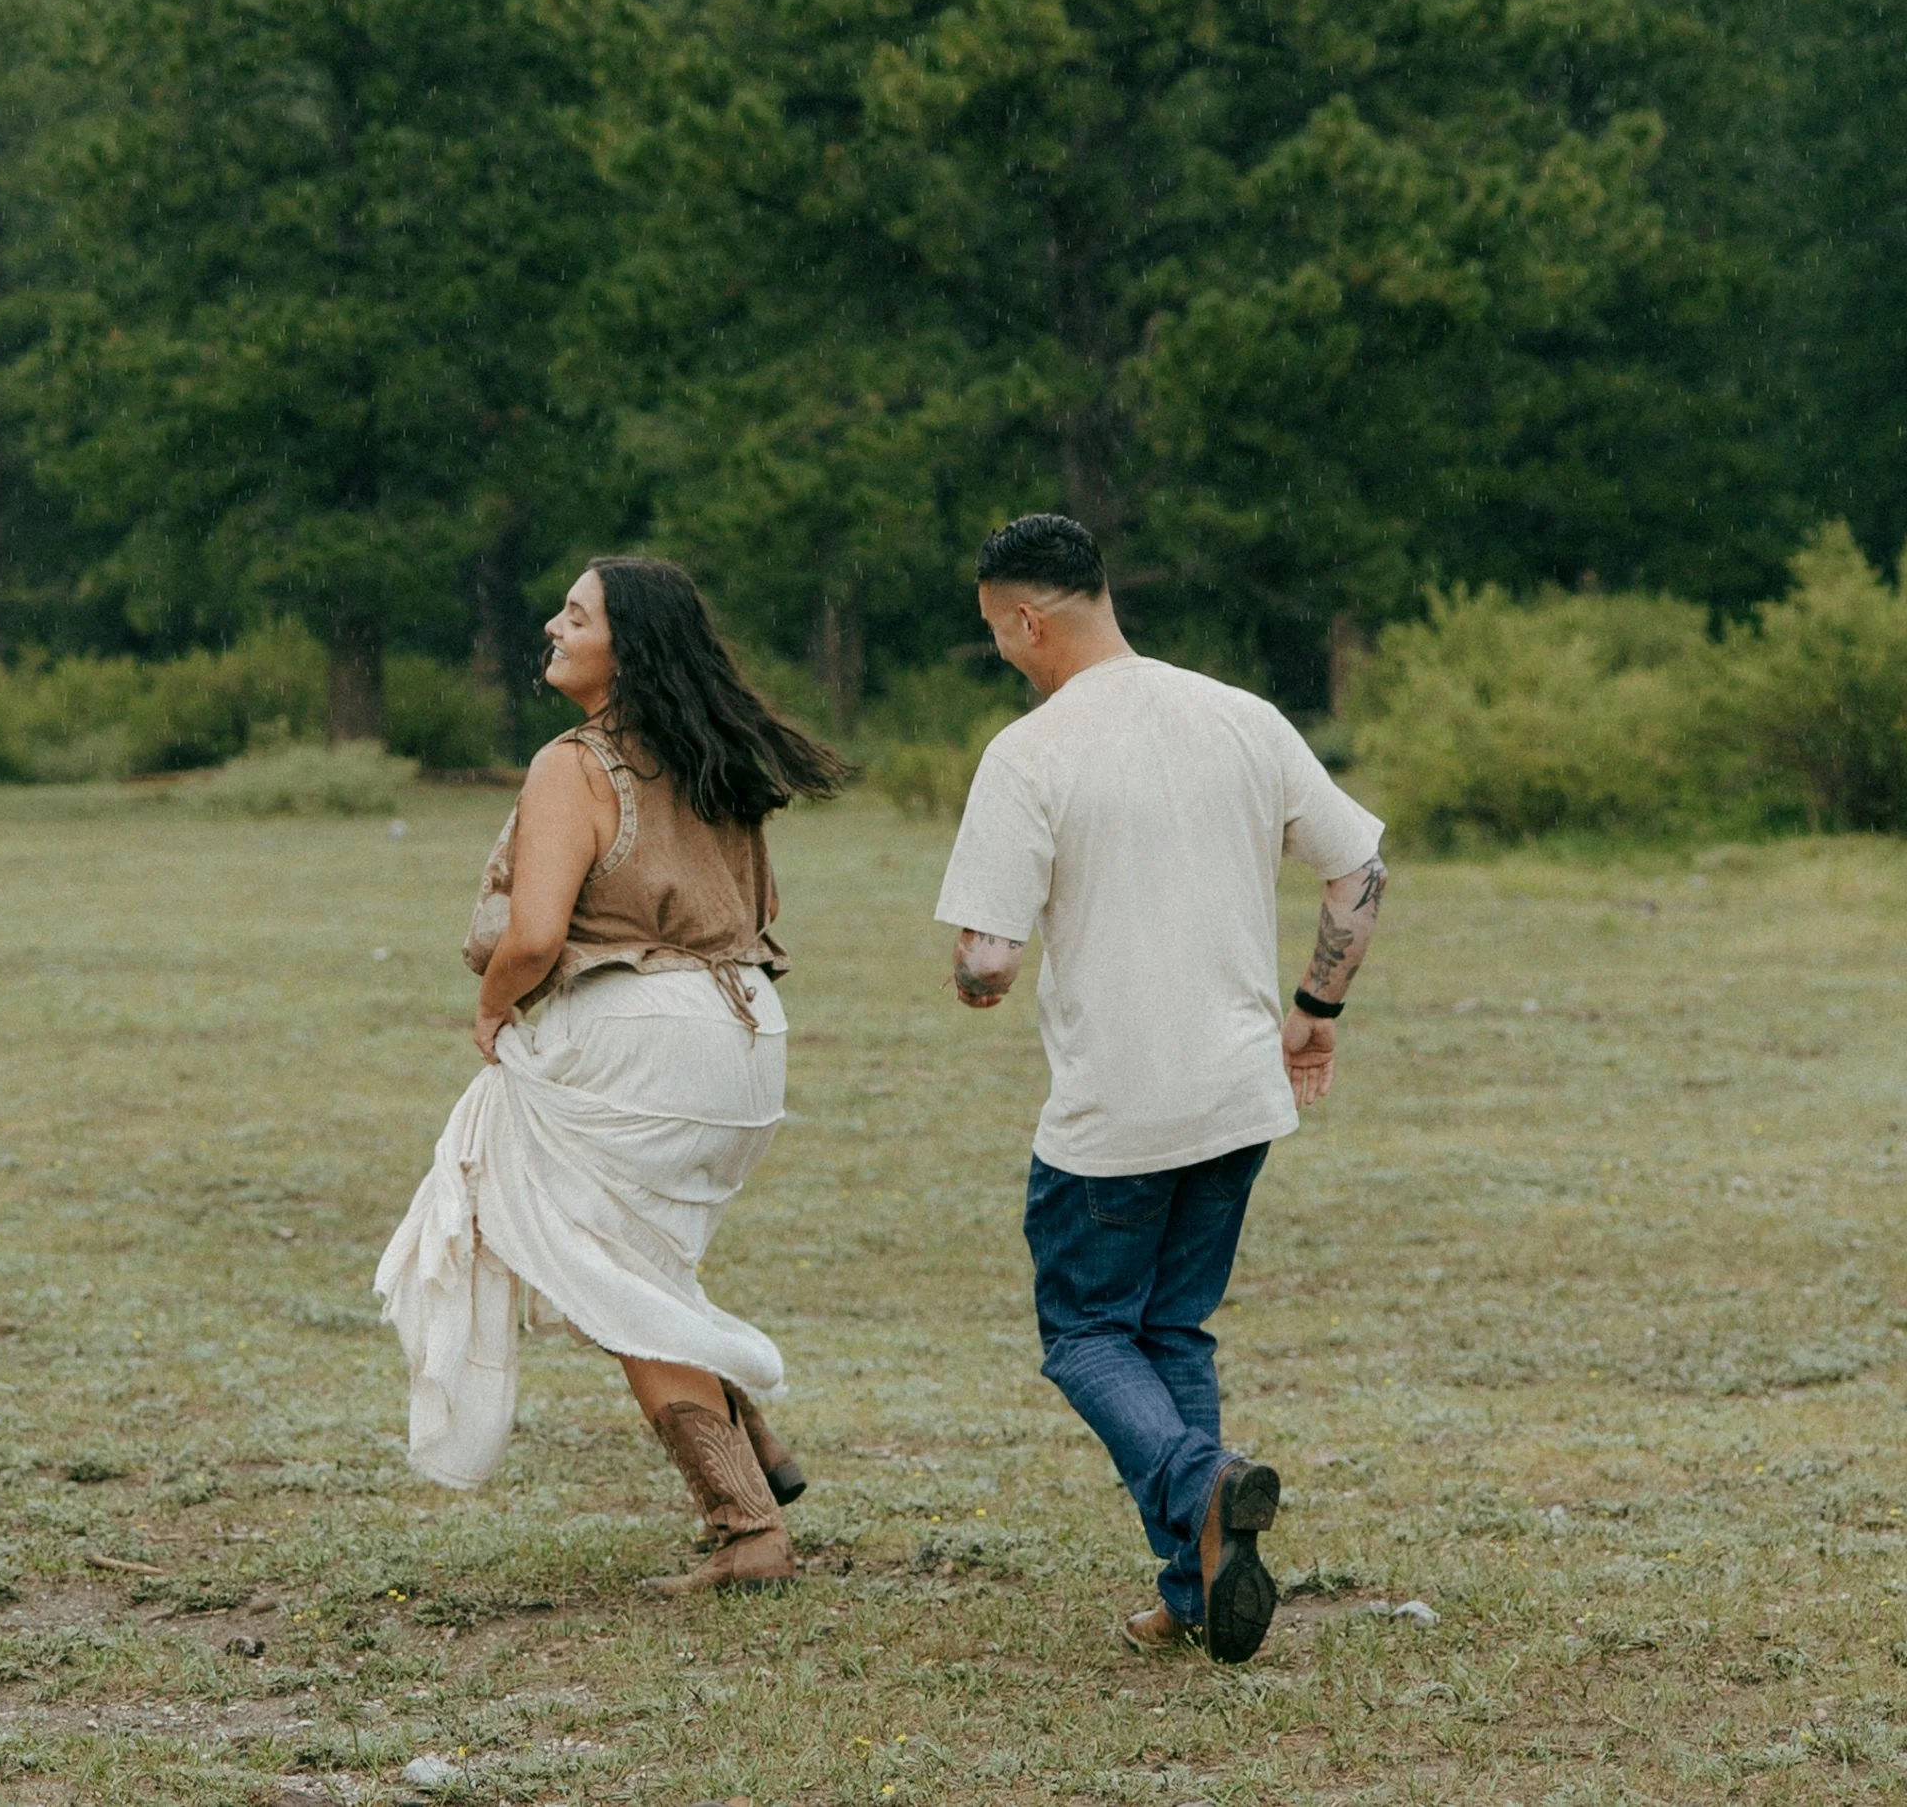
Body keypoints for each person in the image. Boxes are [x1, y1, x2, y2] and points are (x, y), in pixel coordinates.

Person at [935, 513, 1387, 1663]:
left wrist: (977, 976)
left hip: (1114, 1109)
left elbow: (988, 956)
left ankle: (1204, 1479)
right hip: (1238, 1093)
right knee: (1172, 1326)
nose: (1000, 649)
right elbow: (1356, 868)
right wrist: (1315, 1012)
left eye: (996, 630)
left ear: (1027, 616)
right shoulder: (1242, 715)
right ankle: (1194, 1589)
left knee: (1086, 1332)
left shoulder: (1029, 751)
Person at [375, 555, 846, 1591]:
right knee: (614, 1258)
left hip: (643, 1034)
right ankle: (750, 1439)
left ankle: (746, 1526)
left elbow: (538, 931)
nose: (552, 623)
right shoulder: (719, 750)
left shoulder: (574, 765)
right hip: (747, 1029)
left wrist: (493, 1004)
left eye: (575, 614)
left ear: (623, 645)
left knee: (592, 1262)